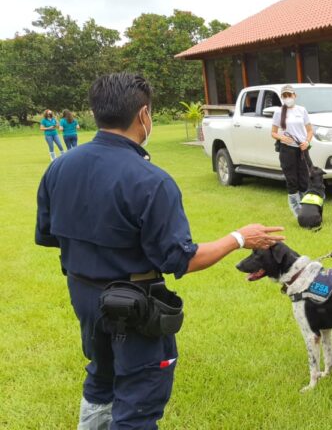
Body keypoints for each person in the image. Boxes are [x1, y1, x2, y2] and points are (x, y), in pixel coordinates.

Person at [35, 73, 285, 429]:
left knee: (101, 378)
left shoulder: (59, 167)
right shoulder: (151, 180)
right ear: (144, 115)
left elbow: (48, 235)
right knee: (138, 401)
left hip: (84, 296)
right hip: (132, 307)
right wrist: (239, 237)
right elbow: (181, 259)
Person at [271, 84, 314, 217]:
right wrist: (282, 137)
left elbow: (310, 130)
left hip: (302, 149)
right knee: (292, 180)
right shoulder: (279, 112)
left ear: (294, 96)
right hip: (287, 150)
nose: (287, 98)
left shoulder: (302, 110)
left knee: (304, 180)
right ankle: (298, 212)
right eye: (285, 96)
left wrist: (307, 142)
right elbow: (273, 132)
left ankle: (307, 208)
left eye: (289, 95)